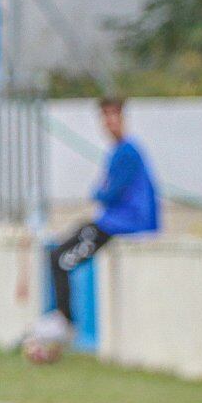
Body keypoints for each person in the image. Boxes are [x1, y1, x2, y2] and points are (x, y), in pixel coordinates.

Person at [45, 96, 159, 328]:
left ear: (122, 117)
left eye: (113, 116)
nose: (109, 122)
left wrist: (100, 192)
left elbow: (107, 193)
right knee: (60, 250)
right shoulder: (119, 151)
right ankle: (63, 318)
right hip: (115, 220)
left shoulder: (127, 151)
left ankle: (65, 322)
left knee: (60, 258)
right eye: (105, 117)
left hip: (124, 223)